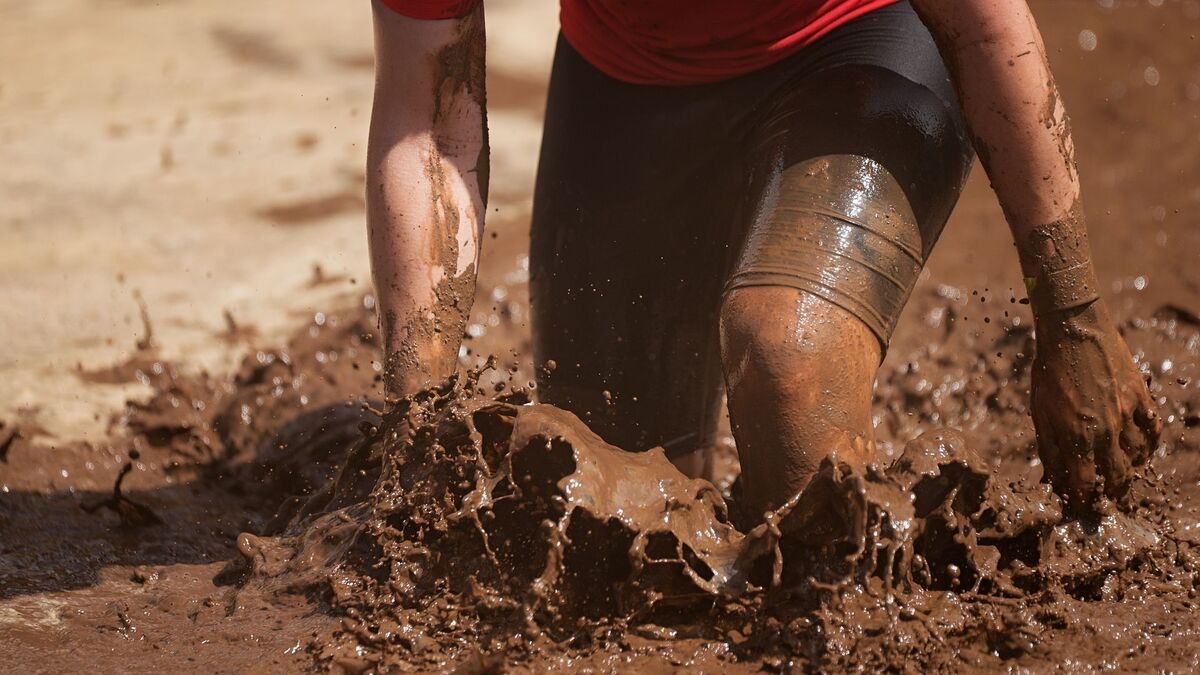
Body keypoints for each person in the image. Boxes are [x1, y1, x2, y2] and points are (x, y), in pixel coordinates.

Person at [364, 0, 1161, 520]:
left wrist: (1073, 317)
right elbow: (428, 123)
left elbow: (985, 27)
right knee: (598, 505)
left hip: (860, 45)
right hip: (626, 78)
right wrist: (418, 408)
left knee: (787, 361)